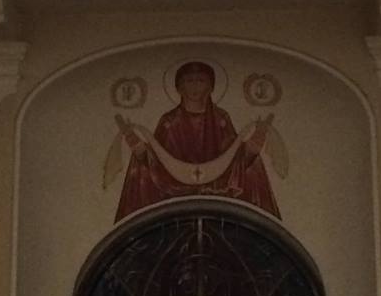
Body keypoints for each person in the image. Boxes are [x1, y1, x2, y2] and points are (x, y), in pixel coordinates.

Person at [113, 59, 280, 220]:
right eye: (189, 81)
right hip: (172, 190)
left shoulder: (220, 119)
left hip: (217, 189)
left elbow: (234, 160)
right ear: (180, 87)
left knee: (255, 166)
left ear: (210, 87)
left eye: (200, 81)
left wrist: (251, 150)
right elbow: (155, 162)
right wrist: (140, 150)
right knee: (137, 166)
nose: (195, 86)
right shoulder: (169, 122)